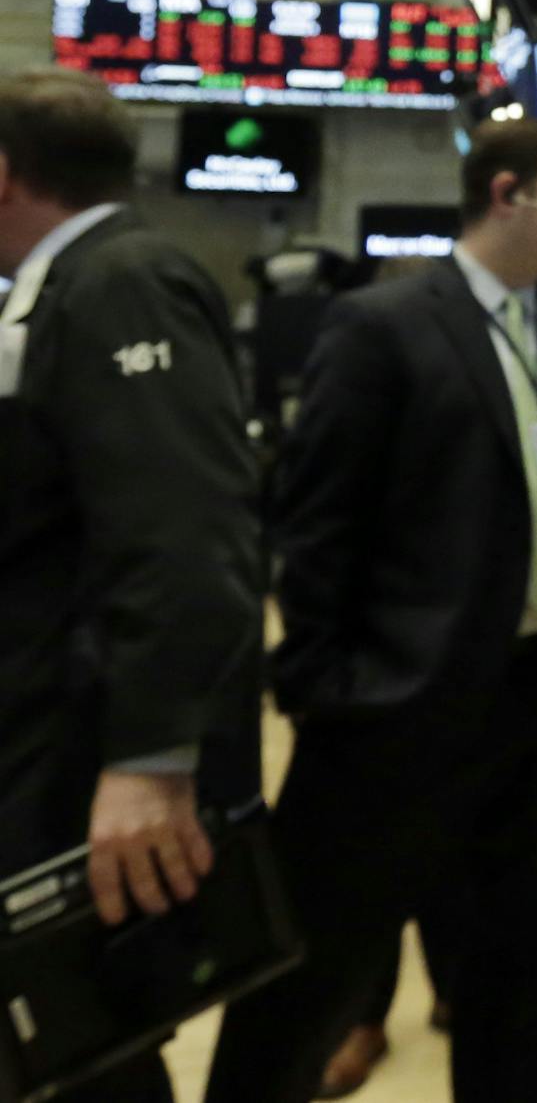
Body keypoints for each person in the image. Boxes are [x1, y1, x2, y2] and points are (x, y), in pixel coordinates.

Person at [205, 119, 537, 1103]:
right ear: (504, 192)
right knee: (304, 990)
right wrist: (328, 686)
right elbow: (315, 524)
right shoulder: (383, 326)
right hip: (393, 716)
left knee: (525, 995)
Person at [0, 68, 261, 1103]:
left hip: (83, 749)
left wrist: (152, 761)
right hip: (42, 725)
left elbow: (188, 540)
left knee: (80, 1048)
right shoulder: (67, 284)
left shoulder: (122, 278)